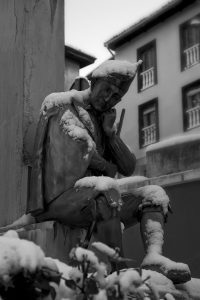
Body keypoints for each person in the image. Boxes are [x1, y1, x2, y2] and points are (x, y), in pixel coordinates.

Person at [3, 60, 191, 283]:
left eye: (116, 97)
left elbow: (128, 167)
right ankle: (116, 269)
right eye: (107, 90)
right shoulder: (62, 105)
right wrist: (106, 166)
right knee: (106, 192)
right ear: (94, 82)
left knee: (153, 195)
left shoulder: (104, 120)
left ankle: (154, 258)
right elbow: (79, 150)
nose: (109, 98)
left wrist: (110, 134)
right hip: (59, 197)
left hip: (92, 196)